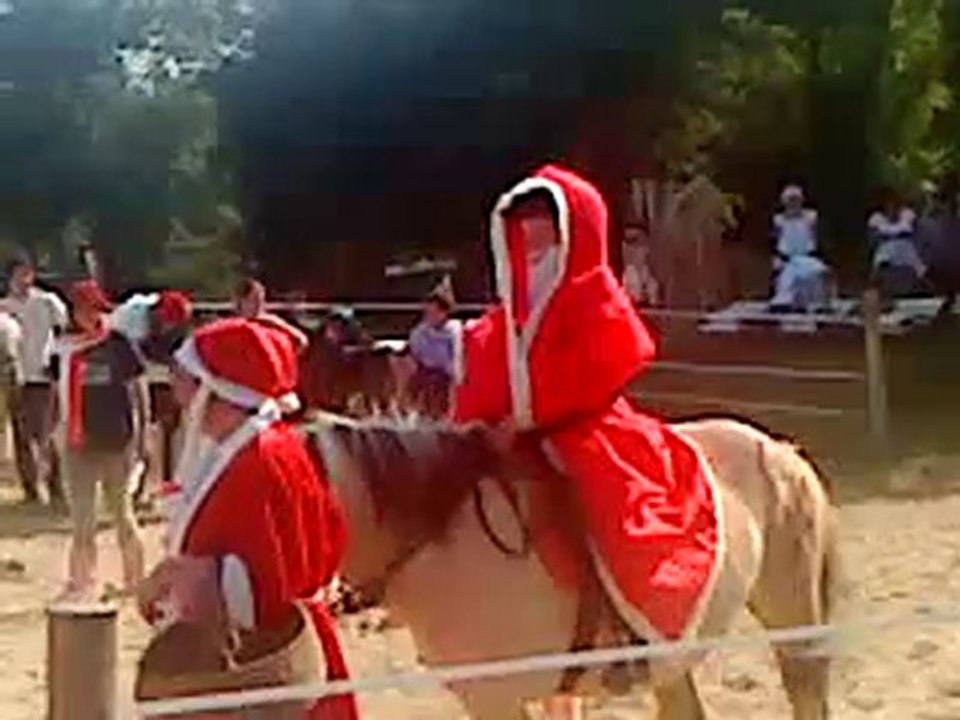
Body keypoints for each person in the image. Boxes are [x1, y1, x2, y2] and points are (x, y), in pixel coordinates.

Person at [453, 165, 720, 643]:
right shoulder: (509, 304)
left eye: (542, 221)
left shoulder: (596, 297)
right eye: (523, 222)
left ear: (569, 227)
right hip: (508, 433)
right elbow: (491, 363)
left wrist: (529, 417)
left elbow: (604, 365)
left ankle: (619, 624)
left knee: (606, 509)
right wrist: (477, 423)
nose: (530, 231)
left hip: (584, 428)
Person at [136, 318, 356, 720]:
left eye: (184, 377)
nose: (176, 389)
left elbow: (264, 588)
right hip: (267, 655)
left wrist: (182, 573)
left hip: (268, 663)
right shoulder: (249, 449)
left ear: (214, 390)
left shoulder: (257, 461)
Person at [50, 280, 147, 600]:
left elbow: (138, 391)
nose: (94, 316)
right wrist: (54, 432)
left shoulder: (118, 344)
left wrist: (141, 439)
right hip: (77, 443)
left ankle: (135, 580)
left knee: (122, 514)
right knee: (83, 520)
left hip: (116, 442)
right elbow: (55, 392)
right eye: (87, 309)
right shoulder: (61, 346)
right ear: (74, 311)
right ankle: (82, 581)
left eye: (97, 309)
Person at [1, 254, 69, 508]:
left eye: (27, 273)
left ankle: (55, 483)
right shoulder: (4, 308)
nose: (23, 279)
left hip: (42, 374)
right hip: (16, 376)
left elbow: (65, 328)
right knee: (21, 434)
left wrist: (56, 358)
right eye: (18, 274)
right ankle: (29, 487)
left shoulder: (47, 302)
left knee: (47, 433)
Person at [769, 185, 833, 311]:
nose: (793, 203)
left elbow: (819, 239)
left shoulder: (811, 217)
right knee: (786, 277)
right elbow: (775, 241)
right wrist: (776, 257)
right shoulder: (778, 220)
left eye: (796, 199)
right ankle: (785, 301)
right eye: (790, 200)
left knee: (817, 272)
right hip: (787, 259)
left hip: (808, 258)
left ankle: (817, 303)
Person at [406, 277, 459, 418]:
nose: (430, 316)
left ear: (444, 313)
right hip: (424, 374)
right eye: (428, 312)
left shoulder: (454, 331)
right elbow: (414, 354)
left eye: (434, 312)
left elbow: (455, 361)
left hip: (446, 377)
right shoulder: (420, 332)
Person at [868, 190, 926, 298]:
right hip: (885, 248)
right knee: (881, 260)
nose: (891, 207)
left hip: (906, 247)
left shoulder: (908, 215)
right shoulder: (876, 219)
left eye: (894, 204)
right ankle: (876, 287)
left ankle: (922, 285)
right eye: (888, 204)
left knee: (918, 267)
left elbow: (919, 234)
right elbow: (872, 239)